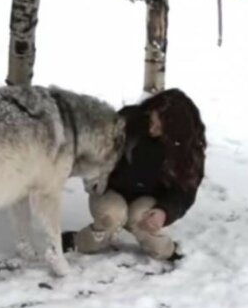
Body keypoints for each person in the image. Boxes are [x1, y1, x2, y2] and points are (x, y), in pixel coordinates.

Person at [62, 89, 206, 261]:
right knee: (110, 216)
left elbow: (184, 191)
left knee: (151, 236)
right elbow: (94, 151)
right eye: (152, 121)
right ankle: (76, 241)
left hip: (149, 200)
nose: (152, 129)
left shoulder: (188, 150)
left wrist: (164, 211)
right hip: (111, 190)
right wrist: (94, 178)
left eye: (160, 128)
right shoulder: (128, 121)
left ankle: (170, 249)